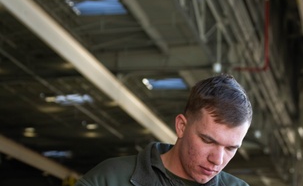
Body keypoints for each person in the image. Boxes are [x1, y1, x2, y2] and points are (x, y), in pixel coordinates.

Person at [75, 73, 253, 186]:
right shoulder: (110, 179)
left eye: (231, 148)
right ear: (181, 126)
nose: (217, 160)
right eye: (208, 140)